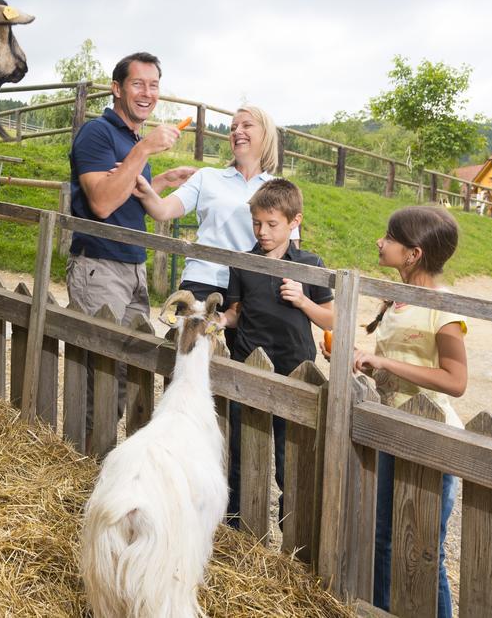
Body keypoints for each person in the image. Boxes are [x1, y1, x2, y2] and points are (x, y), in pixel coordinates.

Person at [67, 51, 195, 447]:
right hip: (100, 266)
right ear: (117, 88)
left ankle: (104, 457)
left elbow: (126, 198)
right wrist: (144, 153)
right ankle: (82, 461)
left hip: (133, 267)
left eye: (154, 85)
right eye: (138, 84)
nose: (147, 93)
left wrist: (163, 181)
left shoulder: (132, 141)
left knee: (125, 372)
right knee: (101, 370)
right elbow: (102, 203)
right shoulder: (97, 134)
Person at [353, 205, 467, 618]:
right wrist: (364, 359)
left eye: (389, 237)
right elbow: (393, 357)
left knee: (423, 550)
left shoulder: (442, 306)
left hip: (430, 437)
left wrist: (385, 363)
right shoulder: (397, 299)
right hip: (392, 430)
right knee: (384, 538)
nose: (380, 242)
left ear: (414, 253)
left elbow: (456, 380)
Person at [213, 178, 334, 528]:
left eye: (271, 224)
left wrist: (303, 299)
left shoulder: (310, 264)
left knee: (289, 457)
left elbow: (331, 319)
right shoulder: (243, 263)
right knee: (240, 449)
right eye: (256, 223)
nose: (262, 232)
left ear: (294, 221)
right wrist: (218, 320)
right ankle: (236, 527)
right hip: (248, 367)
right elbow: (236, 312)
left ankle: (293, 531)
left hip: (295, 371)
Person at [132, 106, 299, 313]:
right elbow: (163, 210)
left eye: (247, 125)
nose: (237, 131)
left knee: (246, 347)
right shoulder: (207, 176)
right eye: (233, 127)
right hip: (202, 281)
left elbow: (292, 251)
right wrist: (145, 189)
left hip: (253, 288)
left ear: (266, 135)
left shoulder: (280, 188)